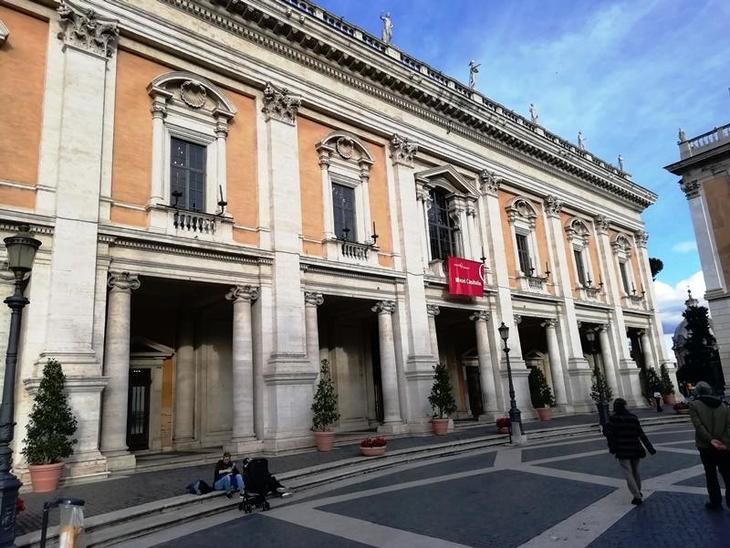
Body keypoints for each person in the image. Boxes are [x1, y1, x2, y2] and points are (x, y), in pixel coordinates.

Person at [604, 398, 656, 505]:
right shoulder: (633, 418)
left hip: (622, 449)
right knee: (635, 471)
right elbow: (641, 434)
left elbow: (609, 436)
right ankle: (638, 491)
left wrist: (612, 448)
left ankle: (636, 495)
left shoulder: (613, 419)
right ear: (625, 406)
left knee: (628, 472)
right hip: (635, 448)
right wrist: (650, 448)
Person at [688, 381, 730, 510]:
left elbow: (698, 425)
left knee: (710, 474)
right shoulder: (723, 405)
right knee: (727, 475)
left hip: (705, 446)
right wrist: (723, 441)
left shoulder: (694, 405)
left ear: (697, 392)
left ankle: (715, 502)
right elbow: (728, 426)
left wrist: (710, 440)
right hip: (723, 446)